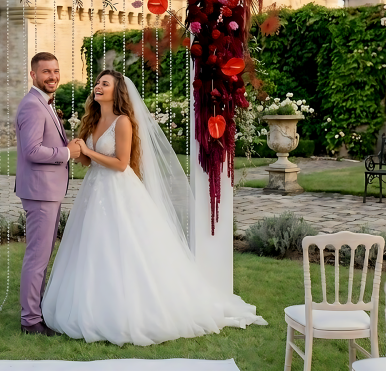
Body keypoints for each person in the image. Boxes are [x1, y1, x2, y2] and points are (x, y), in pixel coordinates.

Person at [41, 70, 266, 346]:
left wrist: (88, 152)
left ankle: (136, 309)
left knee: (126, 248)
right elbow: (90, 163)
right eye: (98, 83)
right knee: (92, 247)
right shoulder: (93, 120)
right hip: (94, 190)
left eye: (105, 84)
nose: (98, 87)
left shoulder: (123, 122)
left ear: (117, 91)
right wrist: (77, 149)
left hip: (119, 190)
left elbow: (121, 163)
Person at [14, 52, 80, 336]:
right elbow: (31, 151)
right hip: (40, 192)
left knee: (42, 255)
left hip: (48, 191)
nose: (52, 76)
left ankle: (36, 309)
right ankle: (30, 321)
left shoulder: (45, 103)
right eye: (45, 72)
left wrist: (69, 144)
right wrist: (67, 153)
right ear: (33, 75)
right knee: (37, 258)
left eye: (55, 70)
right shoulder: (32, 105)